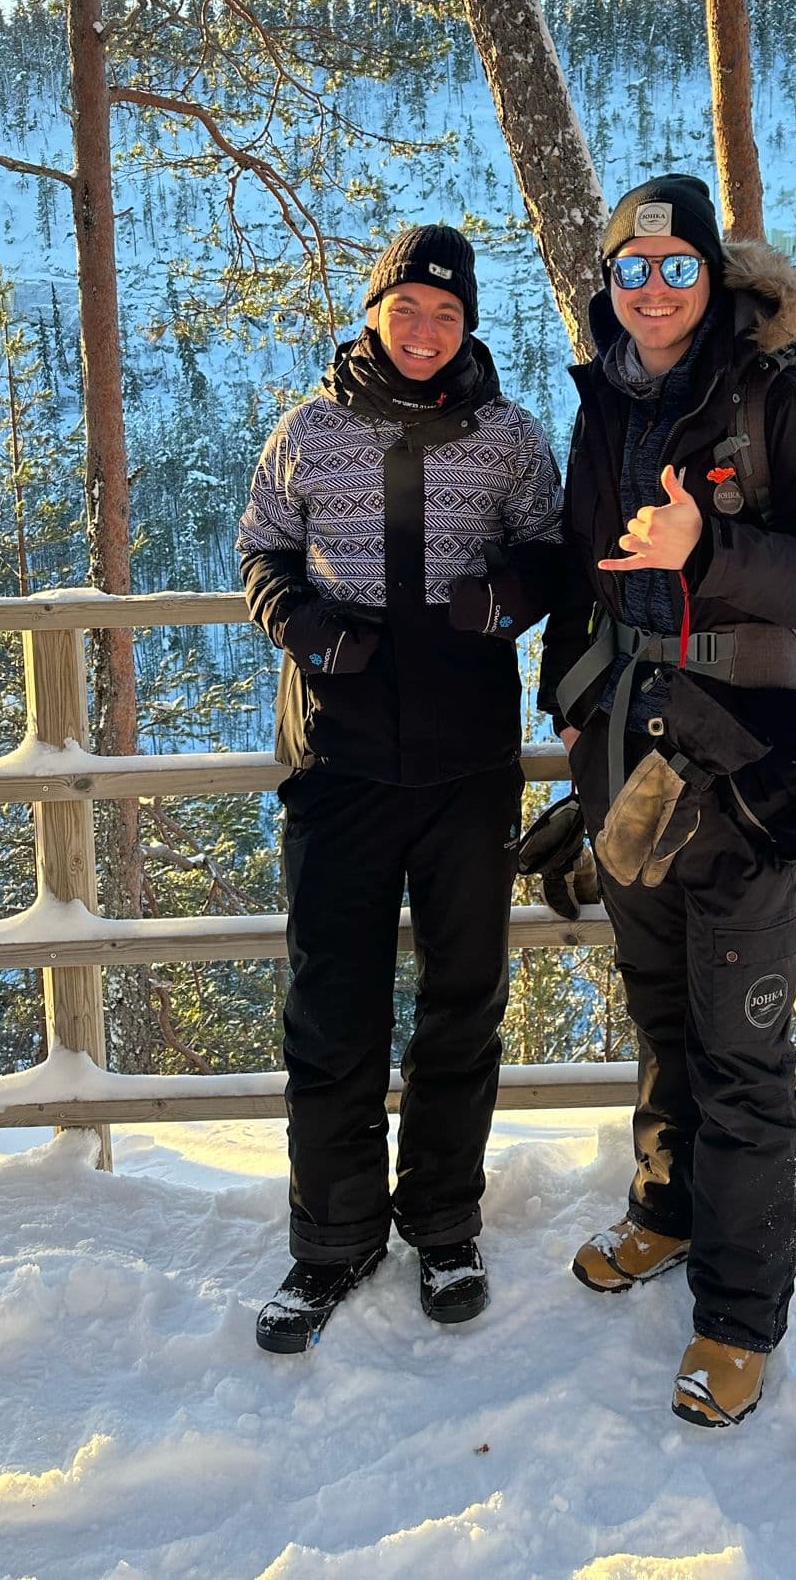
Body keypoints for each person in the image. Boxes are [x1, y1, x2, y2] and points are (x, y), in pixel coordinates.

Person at [539, 174, 796, 1427]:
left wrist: (714, 550)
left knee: (742, 1049)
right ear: (607, 285)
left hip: (745, 766)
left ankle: (740, 1316)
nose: (651, 290)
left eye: (675, 268)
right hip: (628, 764)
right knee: (663, 1021)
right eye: (631, 271)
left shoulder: (781, 402)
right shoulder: (605, 405)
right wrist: (572, 709)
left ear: (712, 278)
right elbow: (589, 581)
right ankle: (666, 1210)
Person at [238, 224, 563, 1354]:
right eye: (406, 309)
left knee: (462, 1001)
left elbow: (551, 552)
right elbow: (260, 551)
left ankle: (443, 1222)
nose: (425, 331)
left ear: (469, 324)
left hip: (468, 764)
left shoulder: (511, 438)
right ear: (374, 311)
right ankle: (331, 1242)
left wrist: (505, 601)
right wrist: (306, 625)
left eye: (447, 313)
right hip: (338, 762)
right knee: (334, 1012)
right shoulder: (309, 430)